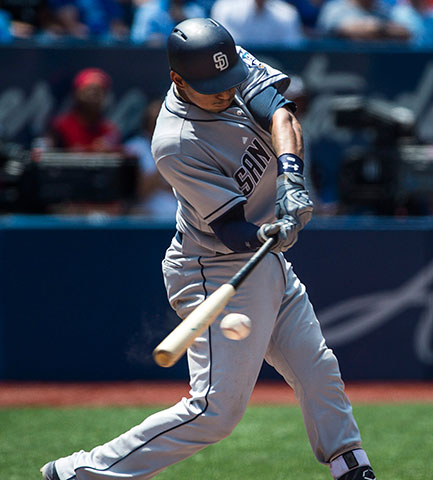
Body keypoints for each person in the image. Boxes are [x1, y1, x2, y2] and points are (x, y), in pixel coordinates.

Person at [41, 18, 376, 480]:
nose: (225, 91)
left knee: (316, 367)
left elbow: (281, 114)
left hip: (265, 262)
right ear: (178, 79)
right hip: (214, 268)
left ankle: (350, 466)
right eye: (211, 86)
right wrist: (270, 232)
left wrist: (292, 178)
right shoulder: (176, 142)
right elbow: (231, 229)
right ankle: (80, 473)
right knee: (214, 413)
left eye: (228, 80)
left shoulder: (230, 65)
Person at [124, 99, 177, 219]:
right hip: (148, 220)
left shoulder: (183, 147)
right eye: (156, 121)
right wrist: (164, 162)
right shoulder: (134, 148)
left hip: (180, 220)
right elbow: (139, 192)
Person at [48, 67, 121, 152]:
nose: (93, 95)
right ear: (76, 93)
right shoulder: (60, 126)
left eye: (98, 90)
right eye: (89, 89)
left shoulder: (110, 130)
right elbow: (50, 156)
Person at [210, 0, 304, 46]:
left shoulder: (287, 14)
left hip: (276, 74)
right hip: (238, 75)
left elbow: (291, 52)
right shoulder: (224, 8)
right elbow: (226, 48)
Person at [317, 0, 411, 41]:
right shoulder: (335, 8)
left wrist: (375, 29)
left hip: (377, 68)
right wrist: (384, 30)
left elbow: (405, 33)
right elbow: (346, 30)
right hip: (338, 69)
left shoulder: (384, 10)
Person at [130, 0, 205, 45]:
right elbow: (137, 40)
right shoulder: (148, 11)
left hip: (186, 62)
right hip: (152, 62)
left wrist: (185, 21)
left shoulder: (196, 11)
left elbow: (203, 40)